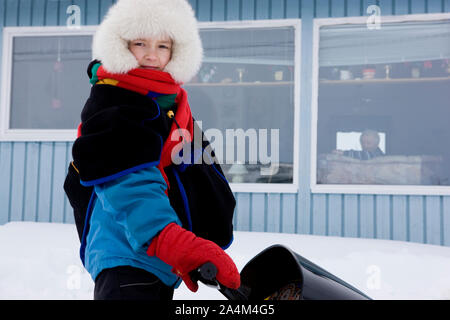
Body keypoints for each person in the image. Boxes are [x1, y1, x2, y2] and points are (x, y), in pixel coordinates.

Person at [64, 0, 240, 300]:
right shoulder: (115, 98)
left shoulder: (167, 101)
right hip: (127, 258)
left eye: (163, 46)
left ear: (176, 51)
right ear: (121, 44)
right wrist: (178, 244)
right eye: (140, 42)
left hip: (155, 262)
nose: (150, 55)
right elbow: (130, 186)